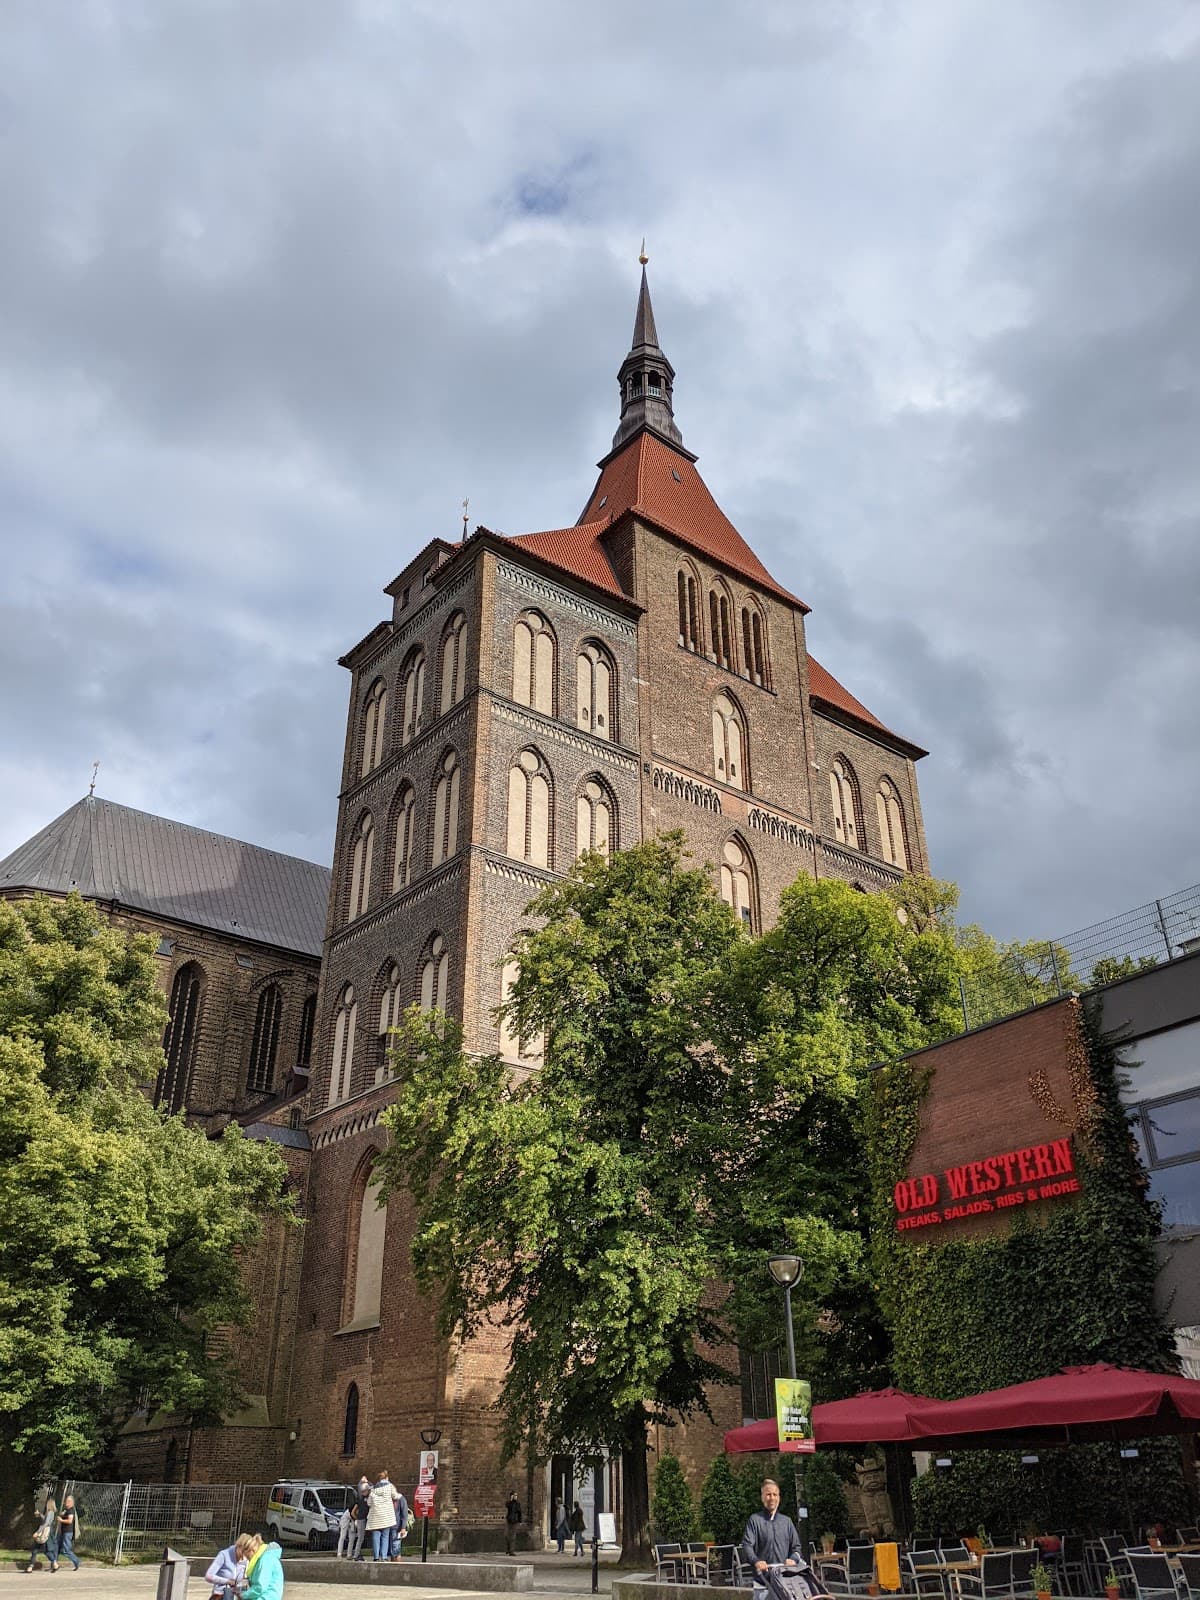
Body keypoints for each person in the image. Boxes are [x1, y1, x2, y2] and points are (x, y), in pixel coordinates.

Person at [740, 1479, 802, 1575]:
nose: (772, 1498)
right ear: (762, 1497)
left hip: (784, 1579)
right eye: (768, 1494)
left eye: (775, 1494)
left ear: (779, 1498)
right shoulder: (755, 1520)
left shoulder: (787, 1522)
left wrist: (793, 1560)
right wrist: (756, 1561)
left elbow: (796, 1548)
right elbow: (747, 1546)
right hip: (762, 1580)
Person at [206, 1533, 256, 1600]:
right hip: (220, 1594)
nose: (244, 1556)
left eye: (247, 1552)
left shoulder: (246, 1559)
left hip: (237, 1594)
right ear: (238, 1546)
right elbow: (208, 1576)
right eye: (243, 1551)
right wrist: (227, 1581)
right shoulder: (224, 1555)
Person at [366, 1472, 400, 1562]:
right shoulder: (390, 1486)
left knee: (376, 1536)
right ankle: (384, 1557)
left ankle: (376, 1557)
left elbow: (369, 1503)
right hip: (386, 1516)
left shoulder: (373, 1489)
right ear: (387, 1478)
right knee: (385, 1536)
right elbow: (395, 1496)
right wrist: (399, 1495)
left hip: (375, 1517)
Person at [241, 1535, 283, 1600]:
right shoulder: (260, 1560)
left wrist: (243, 1595)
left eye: (246, 1556)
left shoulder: (266, 1559)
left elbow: (260, 1587)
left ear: (251, 1550)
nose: (246, 1559)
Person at [26, 1496, 58, 1573]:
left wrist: (37, 1532)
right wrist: (40, 1514)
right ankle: (55, 1564)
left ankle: (31, 1566)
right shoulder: (50, 1512)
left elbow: (46, 1523)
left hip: (44, 1533)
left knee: (37, 1549)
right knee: (43, 1550)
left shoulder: (50, 1512)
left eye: (47, 1503)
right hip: (45, 1533)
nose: (46, 1504)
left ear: (49, 1504)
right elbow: (45, 1520)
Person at [58, 1494, 82, 1572]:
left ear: (71, 1502)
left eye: (68, 1501)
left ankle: (77, 1561)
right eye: (66, 1501)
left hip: (67, 1532)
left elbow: (70, 1521)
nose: (66, 1502)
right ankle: (54, 1563)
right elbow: (63, 1515)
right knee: (57, 1547)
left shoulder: (71, 1510)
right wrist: (61, 1515)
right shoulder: (66, 1510)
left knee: (66, 1550)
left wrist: (61, 1520)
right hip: (63, 1532)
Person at [352, 1478, 371, 1560]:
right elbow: (353, 1512)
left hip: (362, 1519)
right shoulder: (362, 1499)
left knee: (361, 1538)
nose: (364, 1493)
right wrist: (358, 1518)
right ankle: (356, 1555)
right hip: (362, 1519)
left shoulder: (364, 1498)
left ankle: (357, 1554)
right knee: (360, 1538)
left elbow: (353, 1512)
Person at [389, 1487, 410, 1562]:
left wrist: (403, 1527)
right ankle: (393, 1562)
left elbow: (404, 1514)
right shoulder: (388, 1499)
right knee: (392, 1549)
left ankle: (397, 1563)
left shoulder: (401, 1499)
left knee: (396, 1548)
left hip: (397, 1526)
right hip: (389, 1526)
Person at [505, 1491, 523, 1557]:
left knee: (513, 1537)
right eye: (515, 1495)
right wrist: (511, 1500)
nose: (516, 1497)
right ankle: (508, 1549)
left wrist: (520, 1521)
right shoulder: (508, 1502)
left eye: (516, 1495)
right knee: (506, 1535)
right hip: (508, 1521)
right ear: (511, 1496)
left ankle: (511, 1551)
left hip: (514, 1521)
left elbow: (520, 1512)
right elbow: (507, 1506)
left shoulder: (518, 1503)